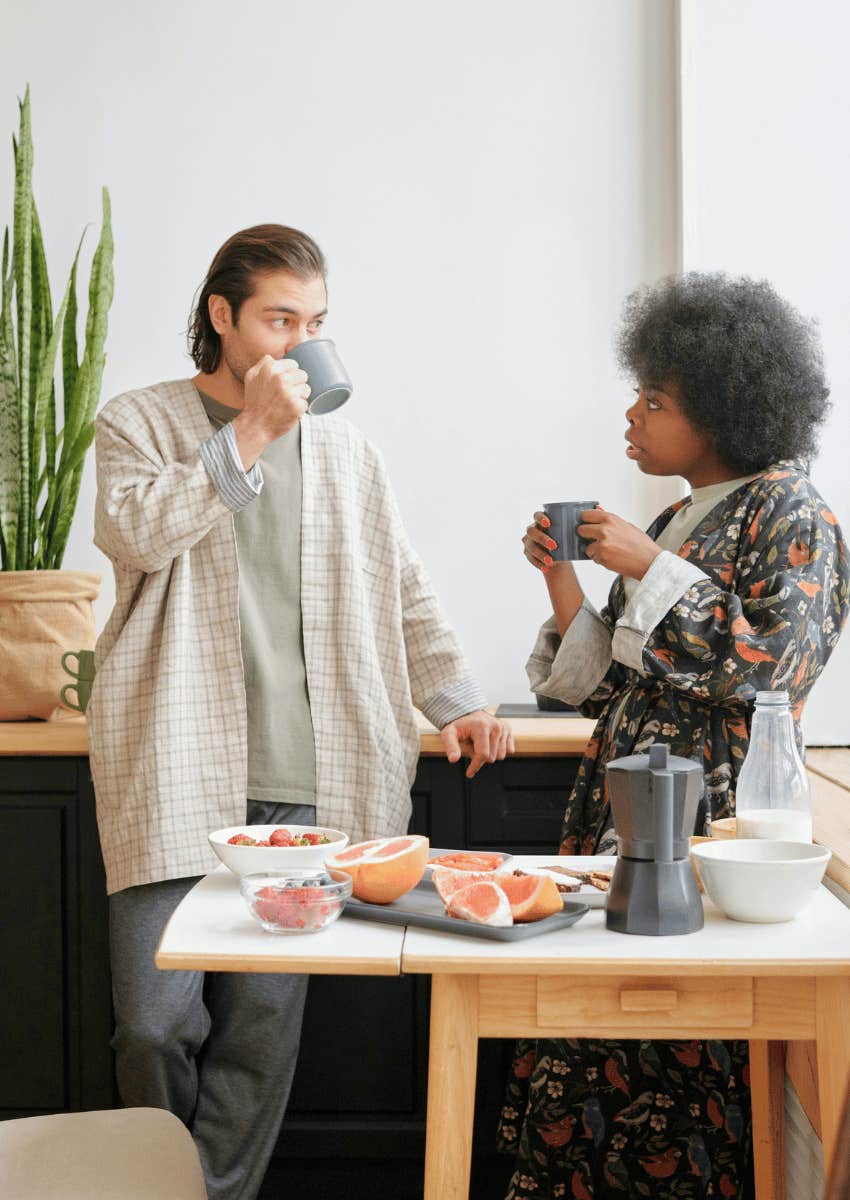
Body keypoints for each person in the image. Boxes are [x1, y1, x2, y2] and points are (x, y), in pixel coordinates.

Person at [87, 223, 512, 1200]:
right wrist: (252, 432)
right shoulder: (140, 420)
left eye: (314, 322)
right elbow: (138, 534)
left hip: (308, 785)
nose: (298, 340)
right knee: (154, 1022)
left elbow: (402, 586)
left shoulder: (347, 450)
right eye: (280, 319)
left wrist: (457, 702)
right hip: (175, 770)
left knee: (262, 1029)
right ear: (222, 316)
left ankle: (216, 1195)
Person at [500, 272, 849, 1198]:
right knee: (595, 1024)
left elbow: (774, 665)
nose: (632, 415)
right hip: (628, 806)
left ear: (726, 408)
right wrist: (564, 582)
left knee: (676, 1032)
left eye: (654, 400)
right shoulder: (674, 515)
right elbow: (612, 685)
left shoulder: (792, 512)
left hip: (712, 817)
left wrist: (651, 565)